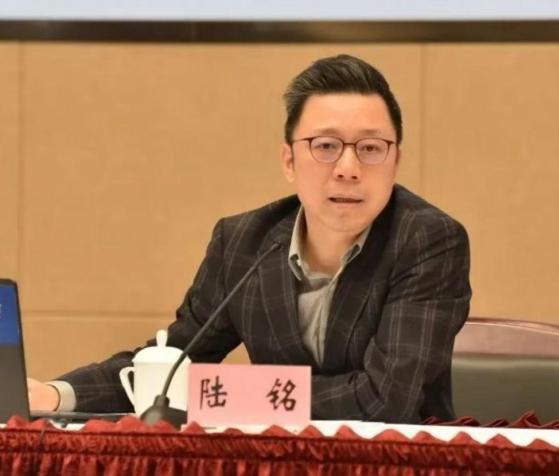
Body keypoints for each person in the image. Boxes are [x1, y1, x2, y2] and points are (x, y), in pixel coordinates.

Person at [28, 54, 471, 424]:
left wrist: (231, 396)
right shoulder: (244, 242)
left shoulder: (427, 240)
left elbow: (385, 399)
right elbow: (172, 365)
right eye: (326, 146)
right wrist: (57, 395)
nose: (348, 168)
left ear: (395, 161)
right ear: (289, 161)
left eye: (371, 148)